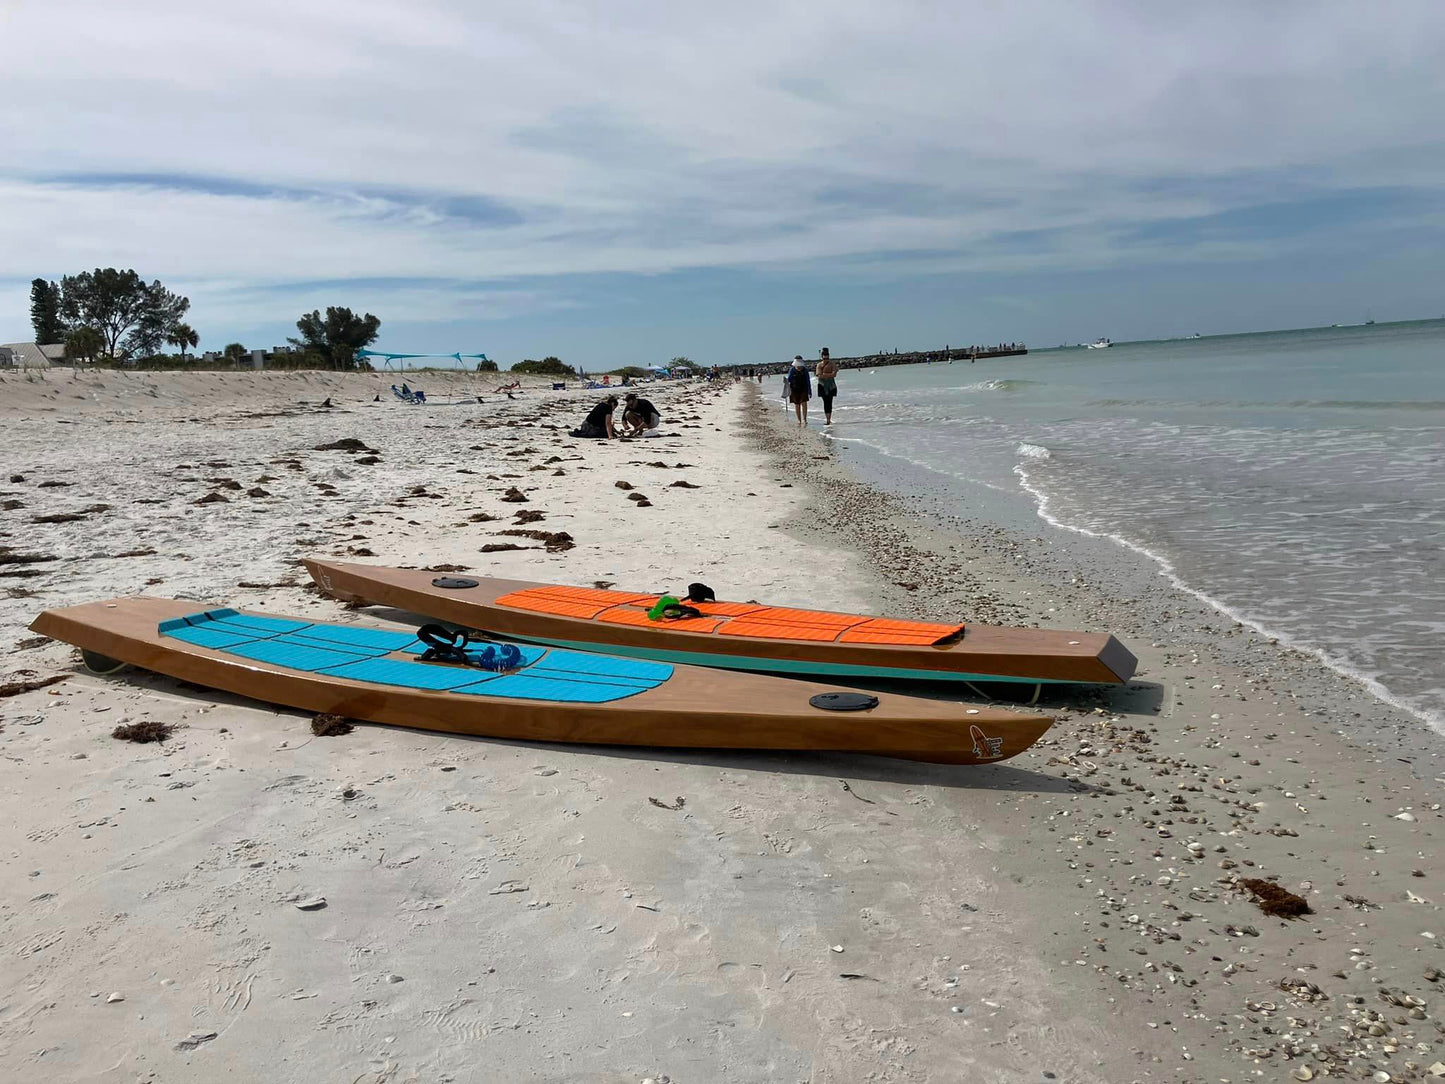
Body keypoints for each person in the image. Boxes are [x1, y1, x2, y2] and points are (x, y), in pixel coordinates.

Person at [815, 347, 838, 425]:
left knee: (830, 402)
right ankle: (827, 419)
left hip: (831, 385)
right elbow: (819, 375)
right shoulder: (819, 365)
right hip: (822, 385)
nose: (826, 360)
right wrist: (829, 375)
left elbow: (834, 374)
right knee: (825, 402)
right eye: (824, 358)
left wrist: (824, 374)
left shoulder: (832, 364)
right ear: (822, 357)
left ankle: (828, 419)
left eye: (827, 358)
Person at [786, 356, 811, 426]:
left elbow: (808, 381)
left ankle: (805, 419)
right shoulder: (792, 370)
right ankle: (799, 419)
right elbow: (789, 380)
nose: (799, 367)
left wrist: (809, 391)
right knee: (797, 405)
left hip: (804, 388)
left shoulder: (805, 370)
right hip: (794, 389)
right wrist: (786, 382)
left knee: (804, 404)